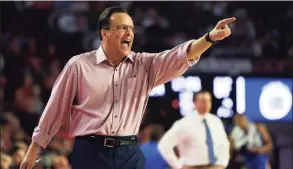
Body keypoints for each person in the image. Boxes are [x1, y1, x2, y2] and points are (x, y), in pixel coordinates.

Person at [20, 6, 236, 169]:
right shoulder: (79, 65)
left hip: (129, 152)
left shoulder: (145, 65)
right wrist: (33, 150)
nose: (129, 33)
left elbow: (180, 54)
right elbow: (55, 109)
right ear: (104, 33)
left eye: (131, 29)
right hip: (90, 151)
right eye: (122, 27)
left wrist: (209, 38)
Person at [158, 91, 230, 169]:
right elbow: (164, 145)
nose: (206, 104)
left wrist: (222, 164)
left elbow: (224, 145)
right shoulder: (184, 123)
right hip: (192, 166)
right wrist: (178, 166)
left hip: (215, 166)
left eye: (209, 100)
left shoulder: (216, 121)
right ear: (194, 102)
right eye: (203, 101)